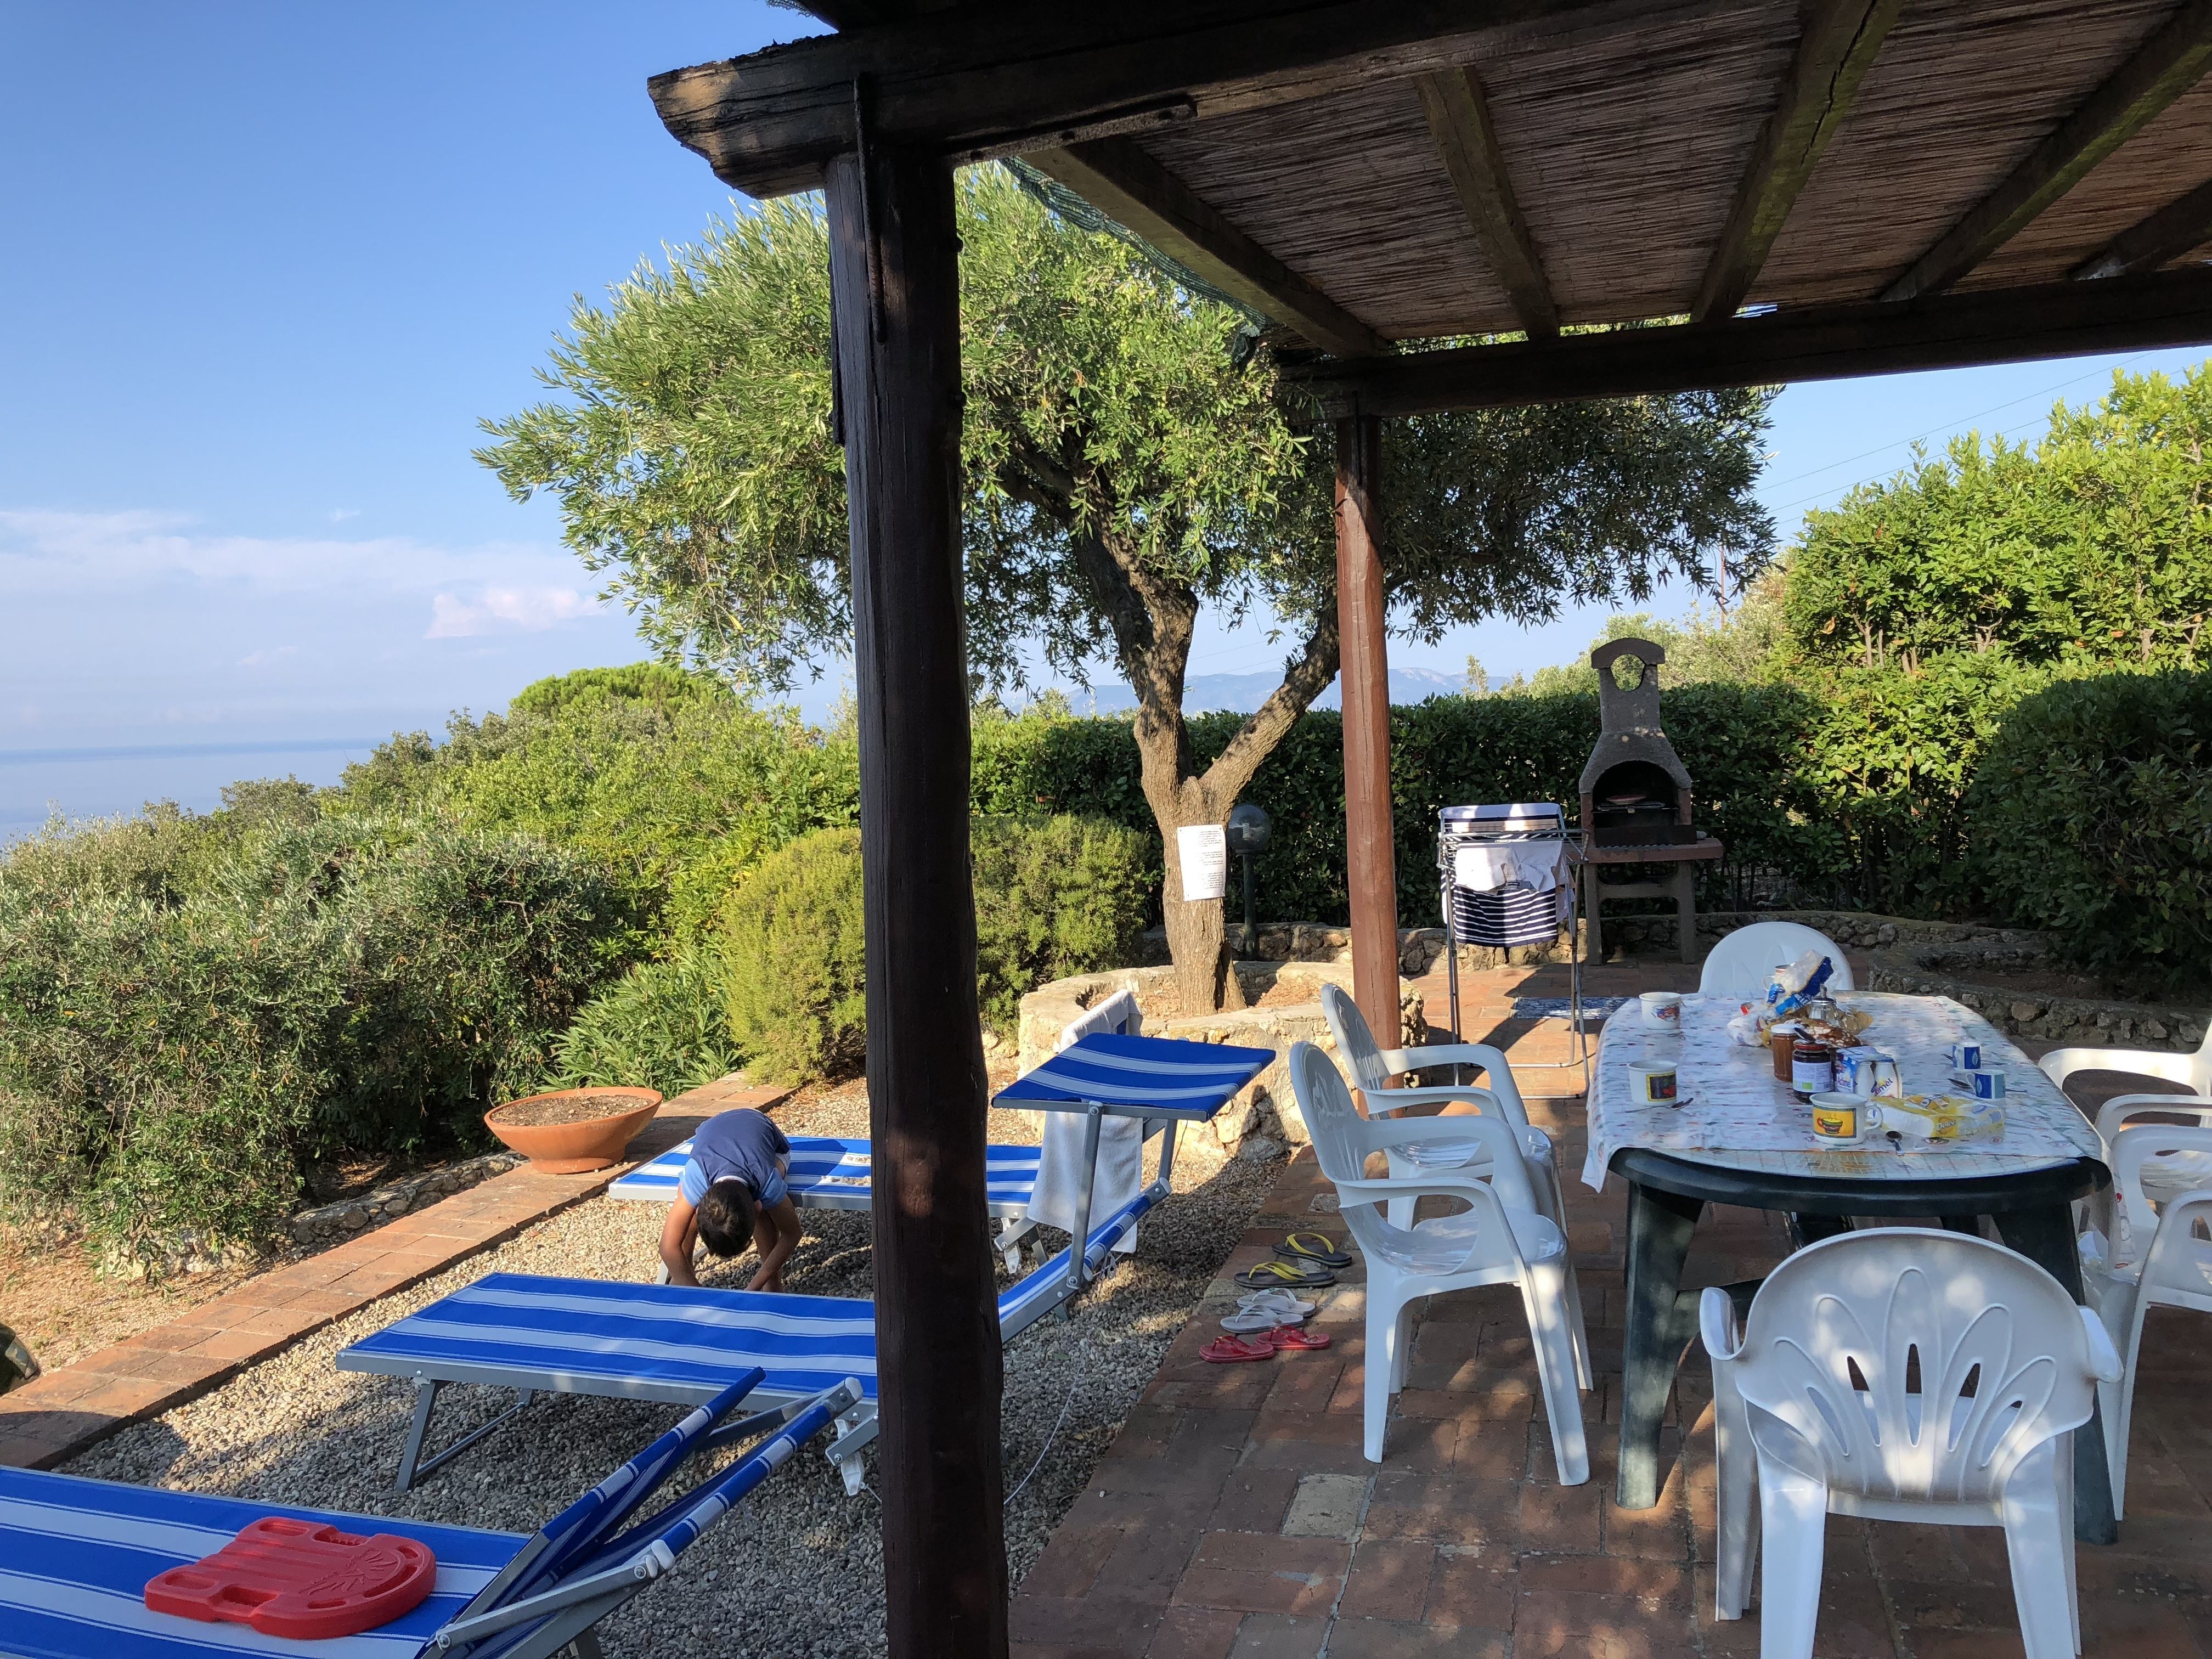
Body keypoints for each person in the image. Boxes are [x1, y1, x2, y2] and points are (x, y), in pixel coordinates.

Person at [657, 1107, 803, 1290]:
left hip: (762, 1130)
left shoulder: (767, 1181)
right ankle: (684, 1277)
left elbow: (792, 1234)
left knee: (767, 1204)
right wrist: (694, 1290)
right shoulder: (697, 1176)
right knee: (687, 1205)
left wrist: (754, 1287)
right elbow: (668, 1247)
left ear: (757, 1207)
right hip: (716, 1125)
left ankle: (772, 1284)